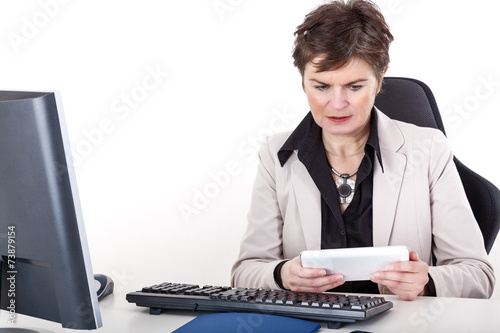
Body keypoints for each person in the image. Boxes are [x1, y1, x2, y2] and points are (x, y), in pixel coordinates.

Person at [231, 0, 495, 300]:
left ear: (379, 80)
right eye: (321, 86)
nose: (337, 103)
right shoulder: (275, 154)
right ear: (303, 82)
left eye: (354, 86)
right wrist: (281, 274)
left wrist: (427, 282)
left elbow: (479, 275)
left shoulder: (429, 149)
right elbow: (245, 272)